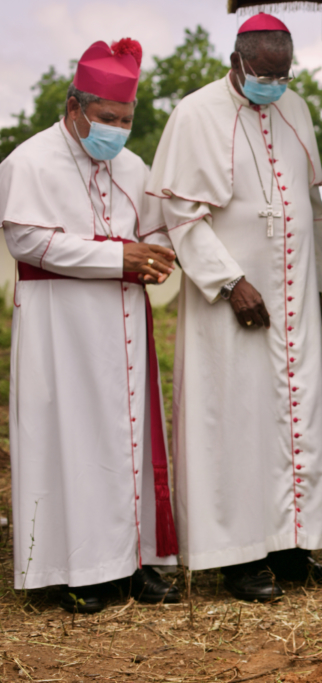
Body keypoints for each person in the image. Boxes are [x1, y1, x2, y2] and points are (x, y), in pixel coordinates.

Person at [146, 13, 322, 602]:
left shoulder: (296, 107)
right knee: (234, 420)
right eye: (265, 74)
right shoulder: (195, 113)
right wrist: (230, 282)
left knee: (296, 420)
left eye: (285, 74)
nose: (276, 84)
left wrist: (317, 287)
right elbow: (180, 215)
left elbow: (310, 203)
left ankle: (291, 548)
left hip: (292, 301)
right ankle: (238, 557)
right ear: (238, 62)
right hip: (229, 304)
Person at [0, 38, 180, 613]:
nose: (118, 130)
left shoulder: (132, 165)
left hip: (123, 321)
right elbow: (26, 239)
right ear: (75, 106)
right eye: (107, 118)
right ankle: (78, 569)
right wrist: (117, 257)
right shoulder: (27, 160)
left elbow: (153, 229)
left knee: (127, 440)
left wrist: (152, 256)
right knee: (71, 441)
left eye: (126, 119)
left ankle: (134, 564)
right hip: (61, 325)